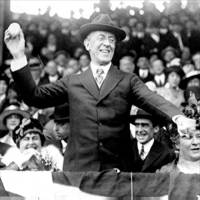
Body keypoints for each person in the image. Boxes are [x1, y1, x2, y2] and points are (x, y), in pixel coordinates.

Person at [4, 14, 193, 172]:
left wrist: (178, 117)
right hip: (78, 173)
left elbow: (153, 99)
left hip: (118, 173)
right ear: (87, 44)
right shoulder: (73, 81)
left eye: (112, 40)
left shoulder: (128, 80)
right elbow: (34, 96)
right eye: (101, 38)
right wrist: (19, 56)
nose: (107, 44)